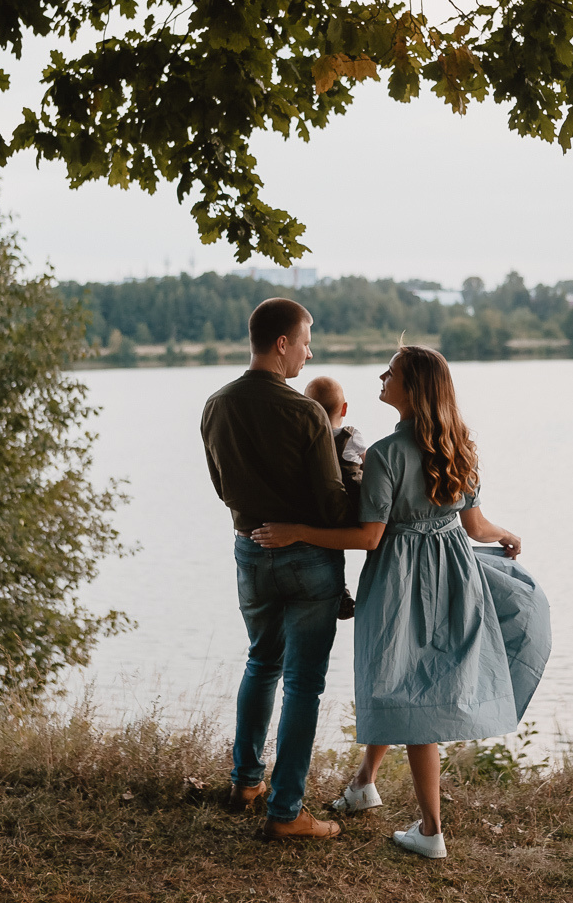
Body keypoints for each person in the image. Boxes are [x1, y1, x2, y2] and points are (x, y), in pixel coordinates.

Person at [252, 345, 551, 859]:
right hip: (454, 572)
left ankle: (431, 831)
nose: (382, 376)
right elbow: (474, 526)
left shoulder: (387, 455)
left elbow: (369, 538)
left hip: (401, 581)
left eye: (391, 372)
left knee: (410, 690)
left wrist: (295, 531)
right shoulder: (460, 445)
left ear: (413, 388)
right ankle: (365, 782)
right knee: (405, 680)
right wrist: (506, 535)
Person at [200, 297, 354, 841]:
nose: (309, 354)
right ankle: (287, 811)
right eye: (306, 341)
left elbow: (222, 488)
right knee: (304, 684)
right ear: (282, 343)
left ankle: (246, 782)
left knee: (261, 662)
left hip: (248, 550)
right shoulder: (306, 413)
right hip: (307, 559)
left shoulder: (216, 405)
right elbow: (332, 506)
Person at [304, 375, 367, 619]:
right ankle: (342, 591)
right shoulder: (350, 436)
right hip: (353, 506)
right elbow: (369, 466)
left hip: (319, 510)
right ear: (344, 408)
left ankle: (340, 590)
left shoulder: (305, 439)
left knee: (330, 549)